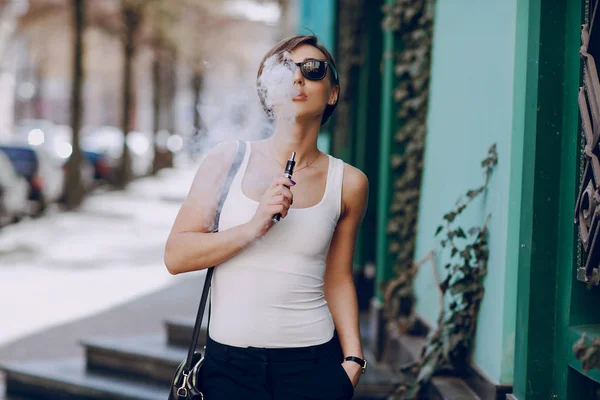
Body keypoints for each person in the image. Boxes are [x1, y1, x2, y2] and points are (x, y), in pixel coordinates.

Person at [164, 34, 369, 400]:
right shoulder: (228, 160)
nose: (297, 79)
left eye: (313, 69)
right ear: (268, 92)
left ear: (333, 92)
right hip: (229, 371)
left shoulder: (349, 182)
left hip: (313, 368)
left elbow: (338, 278)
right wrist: (253, 226)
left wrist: (353, 360)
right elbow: (176, 256)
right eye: (284, 70)